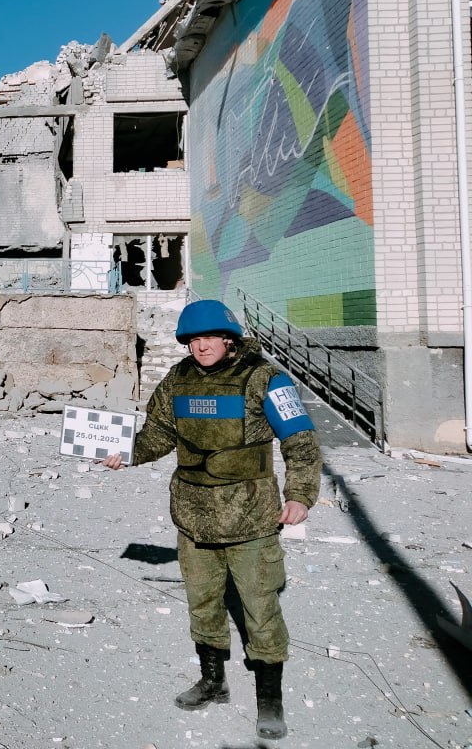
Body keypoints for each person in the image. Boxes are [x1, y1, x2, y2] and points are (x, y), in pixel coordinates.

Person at [102, 299, 321, 741]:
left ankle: (269, 700)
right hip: (193, 516)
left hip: (250, 518)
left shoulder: (265, 378)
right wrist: (126, 454)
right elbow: (158, 434)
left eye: (210, 338)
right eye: (194, 339)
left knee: (260, 607)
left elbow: (299, 439)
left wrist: (299, 496)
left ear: (229, 339)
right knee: (203, 603)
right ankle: (212, 680)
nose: (202, 346)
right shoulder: (177, 380)